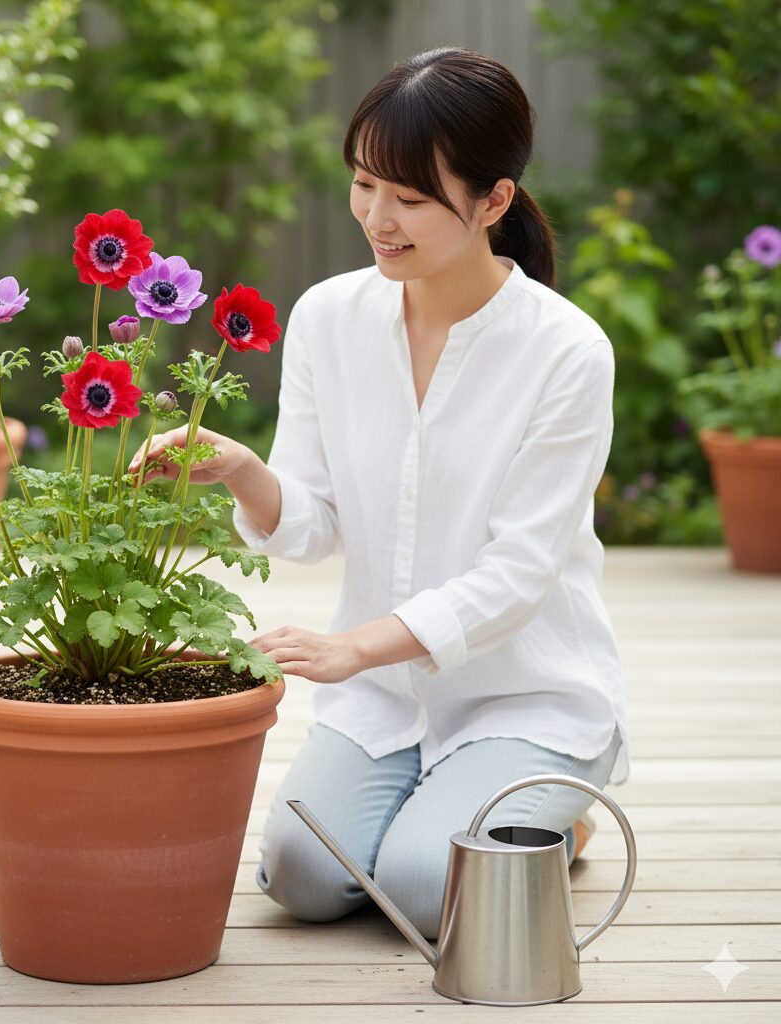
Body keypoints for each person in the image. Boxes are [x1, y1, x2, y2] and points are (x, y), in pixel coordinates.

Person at [128, 46, 628, 942]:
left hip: (527, 692)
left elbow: (516, 576)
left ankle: (569, 806)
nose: (377, 218)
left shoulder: (567, 351)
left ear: (493, 201)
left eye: (410, 197)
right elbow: (313, 524)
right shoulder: (329, 315)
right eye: (364, 186)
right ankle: (466, 816)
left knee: (423, 883)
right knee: (305, 877)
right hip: (387, 697)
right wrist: (241, 469)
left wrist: (353, 646)